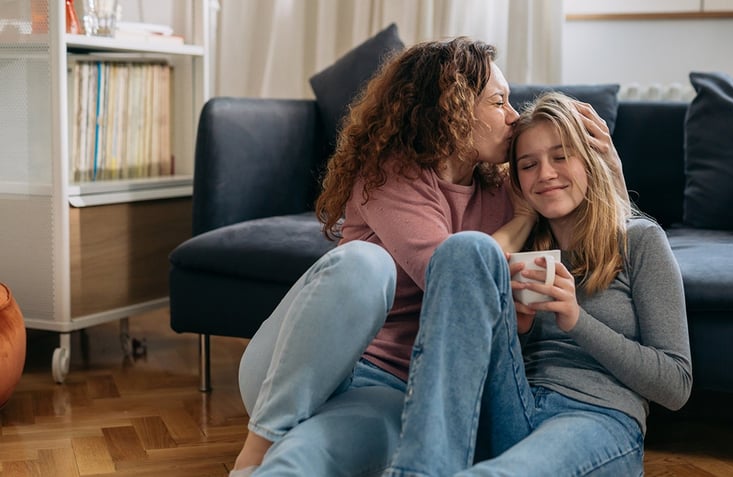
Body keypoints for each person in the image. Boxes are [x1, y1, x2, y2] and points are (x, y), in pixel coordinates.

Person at [230, 37, 542, 477]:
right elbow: (451, 273)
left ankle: (276, 458)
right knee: (364, 263)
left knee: (304, 461)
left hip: (388, 386)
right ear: (452, 108)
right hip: (293, 368)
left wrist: (603, 155)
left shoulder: (504, 186)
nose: (513, 116)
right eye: (499, 102)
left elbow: (602, 222)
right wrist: (521, 222)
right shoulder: (389, 174)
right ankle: (258, 444)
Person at [384, 92, 693, 476]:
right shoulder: (526, 250)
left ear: (590, 161)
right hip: (514, 406)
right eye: (529, 165)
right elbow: (467, 292)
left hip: (595, 416)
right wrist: (520, 327)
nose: (545, 174)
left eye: (561, 157)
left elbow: (676, 386)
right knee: (465, 249)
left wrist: (576, 320)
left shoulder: (640, 240)